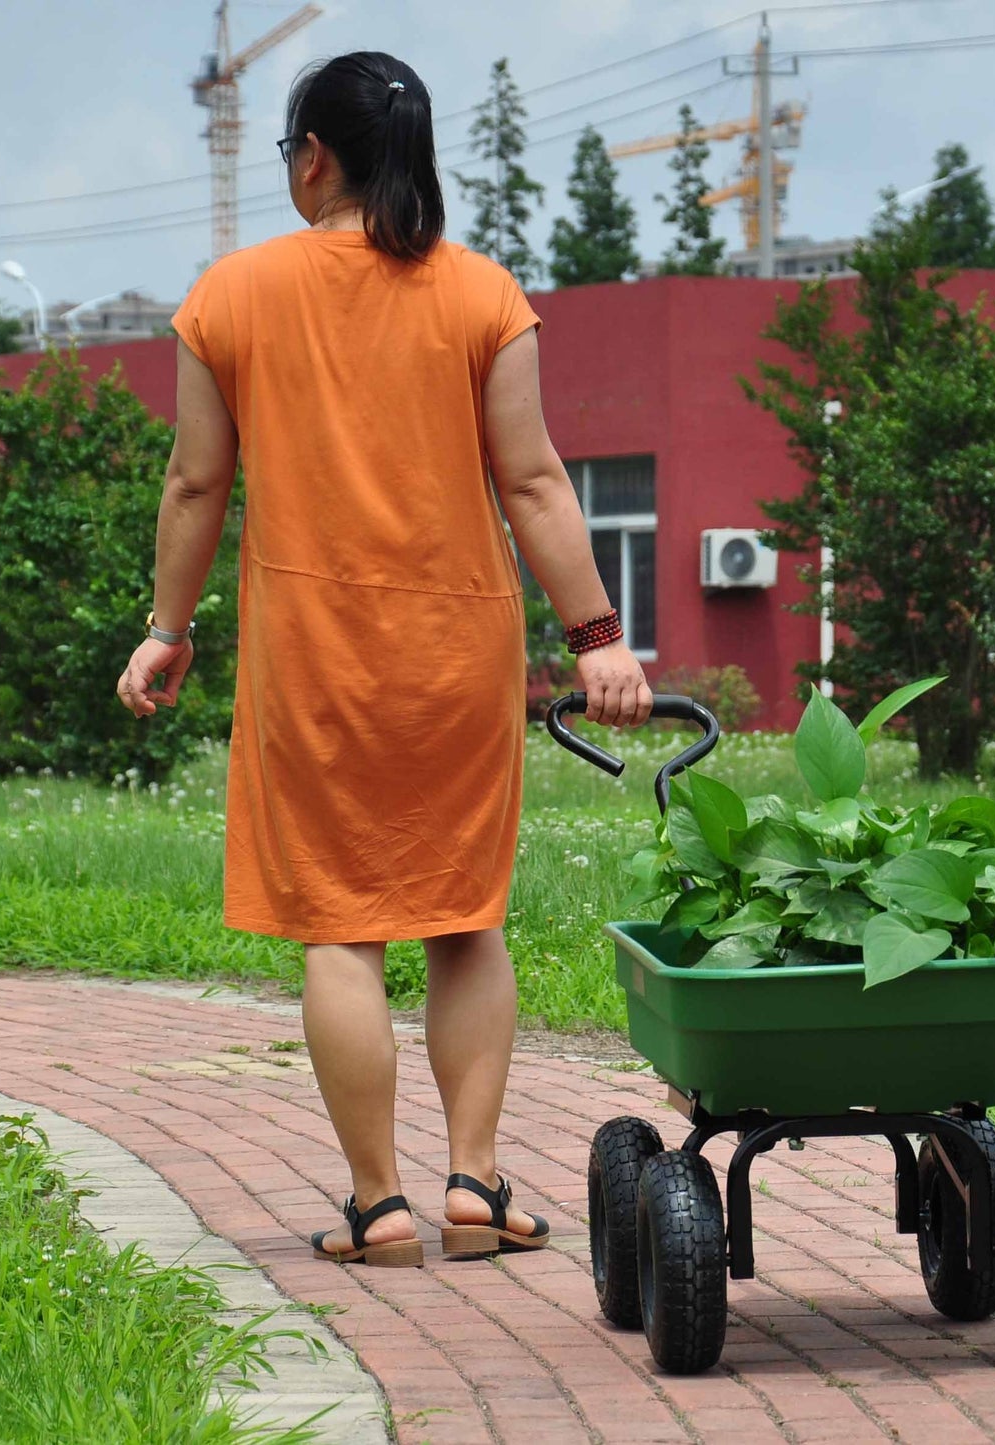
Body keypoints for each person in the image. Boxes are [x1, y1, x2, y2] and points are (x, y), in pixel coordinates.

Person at [115, 50, 653, 1267]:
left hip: (312, 656)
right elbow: (530, 479)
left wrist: (166, 625)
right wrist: (599, 638)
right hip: (455, 648)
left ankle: (379, 1204)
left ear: (312, 156)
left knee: (340, 929)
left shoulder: (231, 296)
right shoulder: (479, 295)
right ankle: (474, 1182)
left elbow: (198, 479)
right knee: (464, 916)